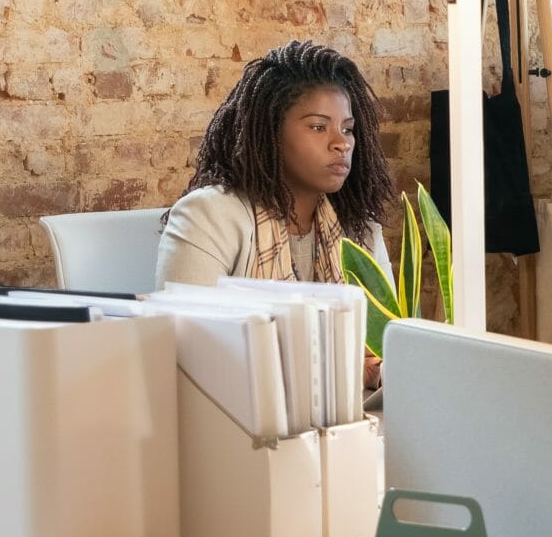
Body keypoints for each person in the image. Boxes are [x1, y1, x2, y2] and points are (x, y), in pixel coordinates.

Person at [158, 41, 396, 383]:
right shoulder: (207, 218)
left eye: (347, 128)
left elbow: (385, 345)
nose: (341, 143)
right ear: (270, 132)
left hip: (349, 424)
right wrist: (343, 369)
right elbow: (191, 359)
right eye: (318, 127)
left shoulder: (358, 227)